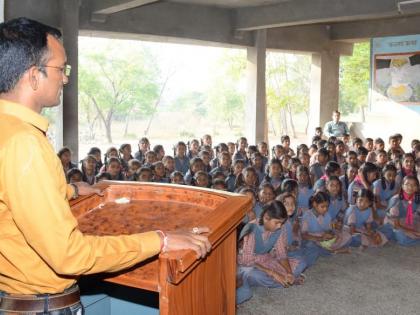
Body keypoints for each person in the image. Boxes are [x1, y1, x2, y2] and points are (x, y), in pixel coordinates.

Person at [0, 17, 211, 314]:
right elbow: (69, 255)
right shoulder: (25, 143)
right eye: (61, 69)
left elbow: (13, 200)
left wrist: (72, 189)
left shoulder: (6, 129)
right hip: (42, 306)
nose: (65, 78)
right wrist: (160, 239)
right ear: (34, 76)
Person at [236, 201, 306, 304]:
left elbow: (281, 254)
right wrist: (274, 273)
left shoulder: (279, 229)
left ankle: (286, 279)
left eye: (281, 223)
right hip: (247, 265)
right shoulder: (251, 229)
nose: (279, 226)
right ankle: (282, 280)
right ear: (266, 217)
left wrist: (289, 273)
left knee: (302, 262)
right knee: (256, 276)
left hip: (266, 259)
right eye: (277, 222)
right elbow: (247, 261)